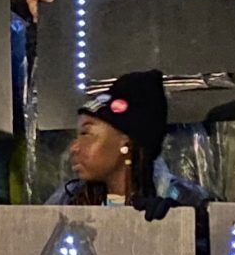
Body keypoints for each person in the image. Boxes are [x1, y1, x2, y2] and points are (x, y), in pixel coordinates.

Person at [46, 71, 213, 213]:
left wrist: (181, 224)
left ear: (125, 141)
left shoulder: (187, 202)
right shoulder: (69, 201)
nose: (74, 148)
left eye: (86, 133)